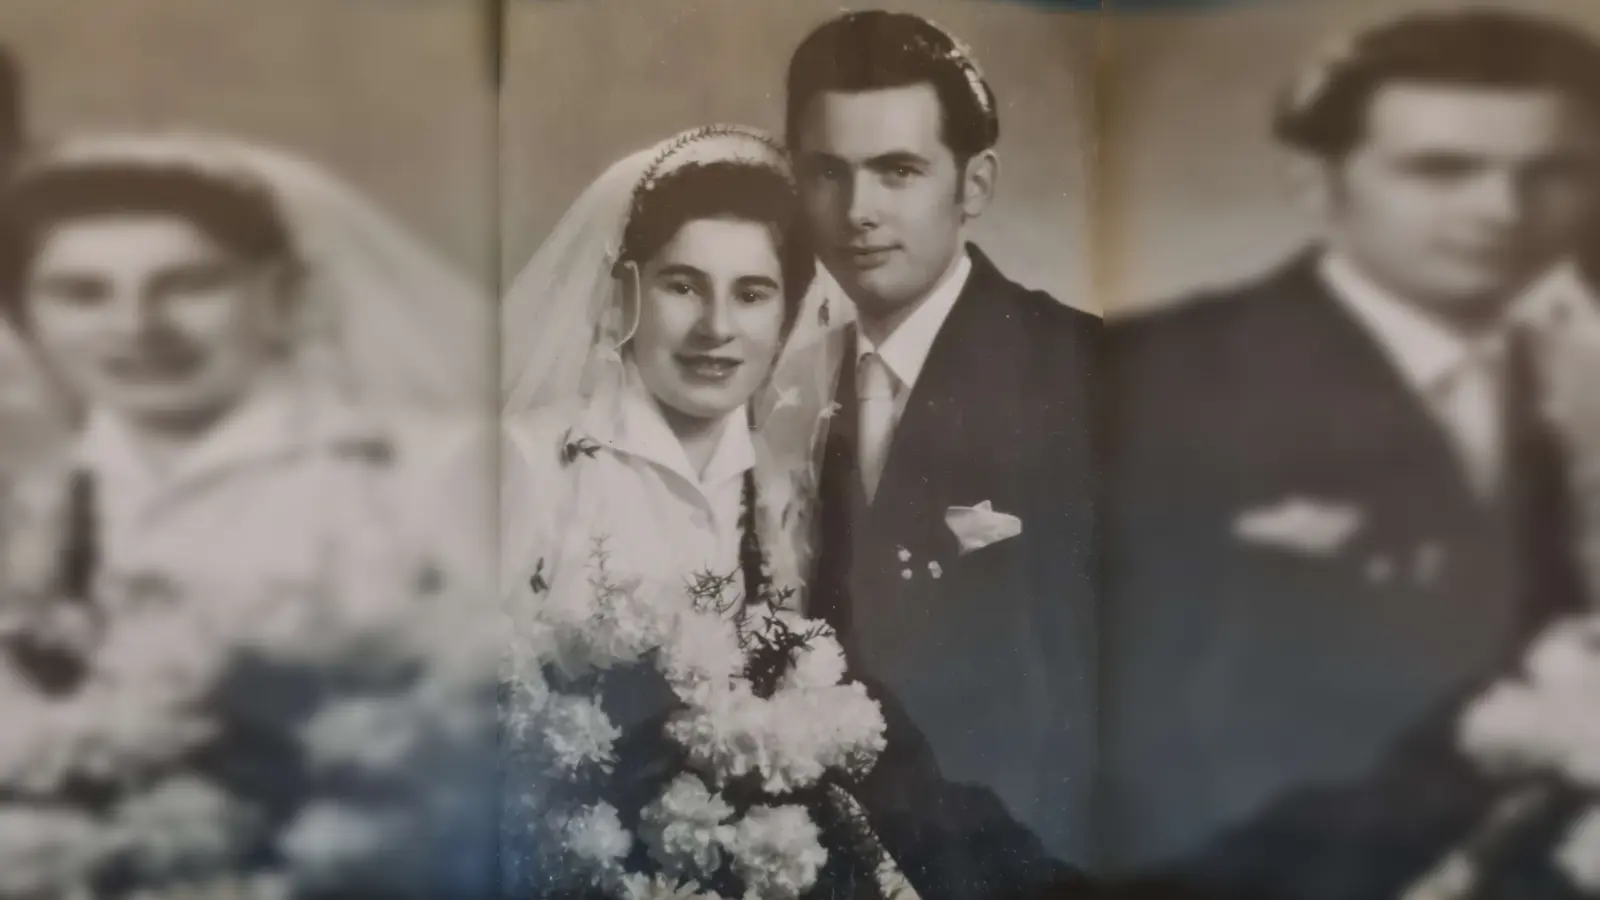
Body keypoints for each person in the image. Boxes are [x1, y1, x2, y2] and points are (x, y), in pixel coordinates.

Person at [1102, 9, 1600, 892]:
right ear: (1315, 177)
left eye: (1552, 172)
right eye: (1442, 170)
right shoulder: (1148, 380)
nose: (1502, 209)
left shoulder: (1578, 380)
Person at [764, 9, 1101, 874]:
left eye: (898, 171)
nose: (858, 211)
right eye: (827, 172)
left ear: (974, 184)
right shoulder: (782, 390)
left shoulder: (1091, 372)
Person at [0, 132, 493, 610]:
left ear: (286, 293)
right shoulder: (36, 498)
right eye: (80, 294)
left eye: (191, 285)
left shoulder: (433, 474)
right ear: (24, 315)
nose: (136, 327)